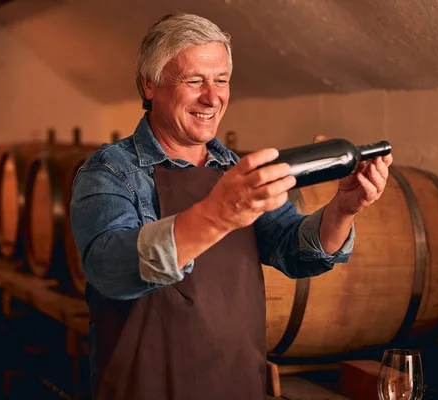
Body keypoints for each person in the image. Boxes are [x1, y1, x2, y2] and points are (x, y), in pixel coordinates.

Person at [70, 12, 393, 400]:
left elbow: (294, 251)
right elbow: (110, 269)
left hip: (236, 383)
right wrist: (217, 213)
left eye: (221, 80)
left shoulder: (236, 168)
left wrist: (343, 209)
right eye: (194, 81)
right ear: (149, 84)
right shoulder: (109, 172)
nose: (212, 97)